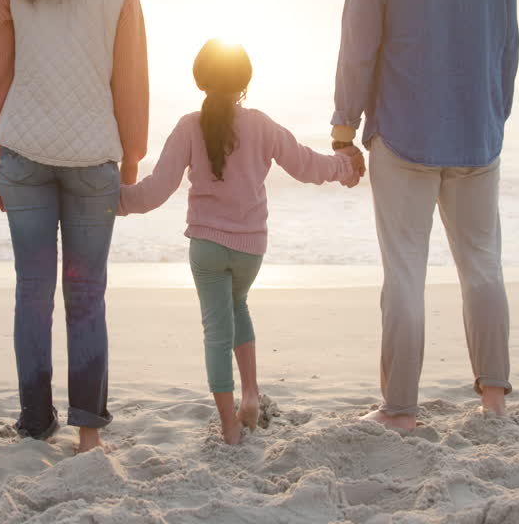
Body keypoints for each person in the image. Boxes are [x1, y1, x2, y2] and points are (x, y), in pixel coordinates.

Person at [332, 0, 519, 431]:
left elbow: (359, 46)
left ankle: (401, 410)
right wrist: (494, 113)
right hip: (477, 132)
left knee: (405, 272)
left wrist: (343, 129)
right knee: (483, 264)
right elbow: (508, 46)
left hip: (405, 134)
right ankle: (493, 399)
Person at [0, 0, 149, 454]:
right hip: (92, 158)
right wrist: (131, 159)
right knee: (87, 293)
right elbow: (130, 83)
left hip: (23, 151)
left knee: (32, 289)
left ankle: (32, 422)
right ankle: (88, 435)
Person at [121, 39, 365, 445]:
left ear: (201, 79)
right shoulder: (262, 125)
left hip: (207, 248)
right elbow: (307, 165)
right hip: (251, 249)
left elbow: (154, 192)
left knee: (217, 330)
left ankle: (230, 427)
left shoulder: (188, 126)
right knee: (237, 306)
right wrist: (345, 167)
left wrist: (107, 199)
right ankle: (250, 394)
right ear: (244, 81)